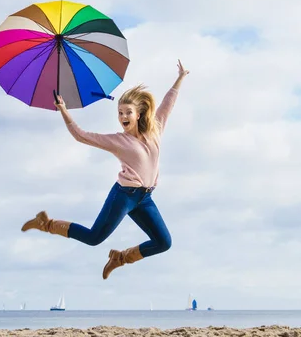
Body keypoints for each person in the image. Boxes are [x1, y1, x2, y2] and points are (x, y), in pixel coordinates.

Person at [21, 60, 190, 280]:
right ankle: (47, 223)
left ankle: (120, 258)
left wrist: (180, 77)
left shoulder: (155, 129)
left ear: (138, 114)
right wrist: (63, 109)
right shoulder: (117, 141)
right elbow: (81, 135)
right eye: (119, 113)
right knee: (94, 238)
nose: (122, 117)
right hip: (124, 196)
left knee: (164, 242)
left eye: (127, 112)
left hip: (145, 199)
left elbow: (169, 103)